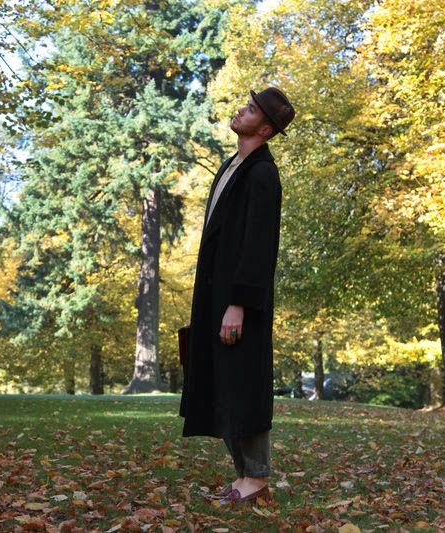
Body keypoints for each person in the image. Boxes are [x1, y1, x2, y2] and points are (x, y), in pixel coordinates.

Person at [179, 87, 295, 504]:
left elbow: (258, 245)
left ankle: (256, 479)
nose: (241, 110)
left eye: (252, 110)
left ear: (265, 129)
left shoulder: (262, 174)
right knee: (223, 381)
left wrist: (238, 304)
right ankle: (243, 477)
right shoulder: (232, 166)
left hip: (240, 302)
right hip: (217, 295)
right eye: (246, 105)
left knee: (245, 383)